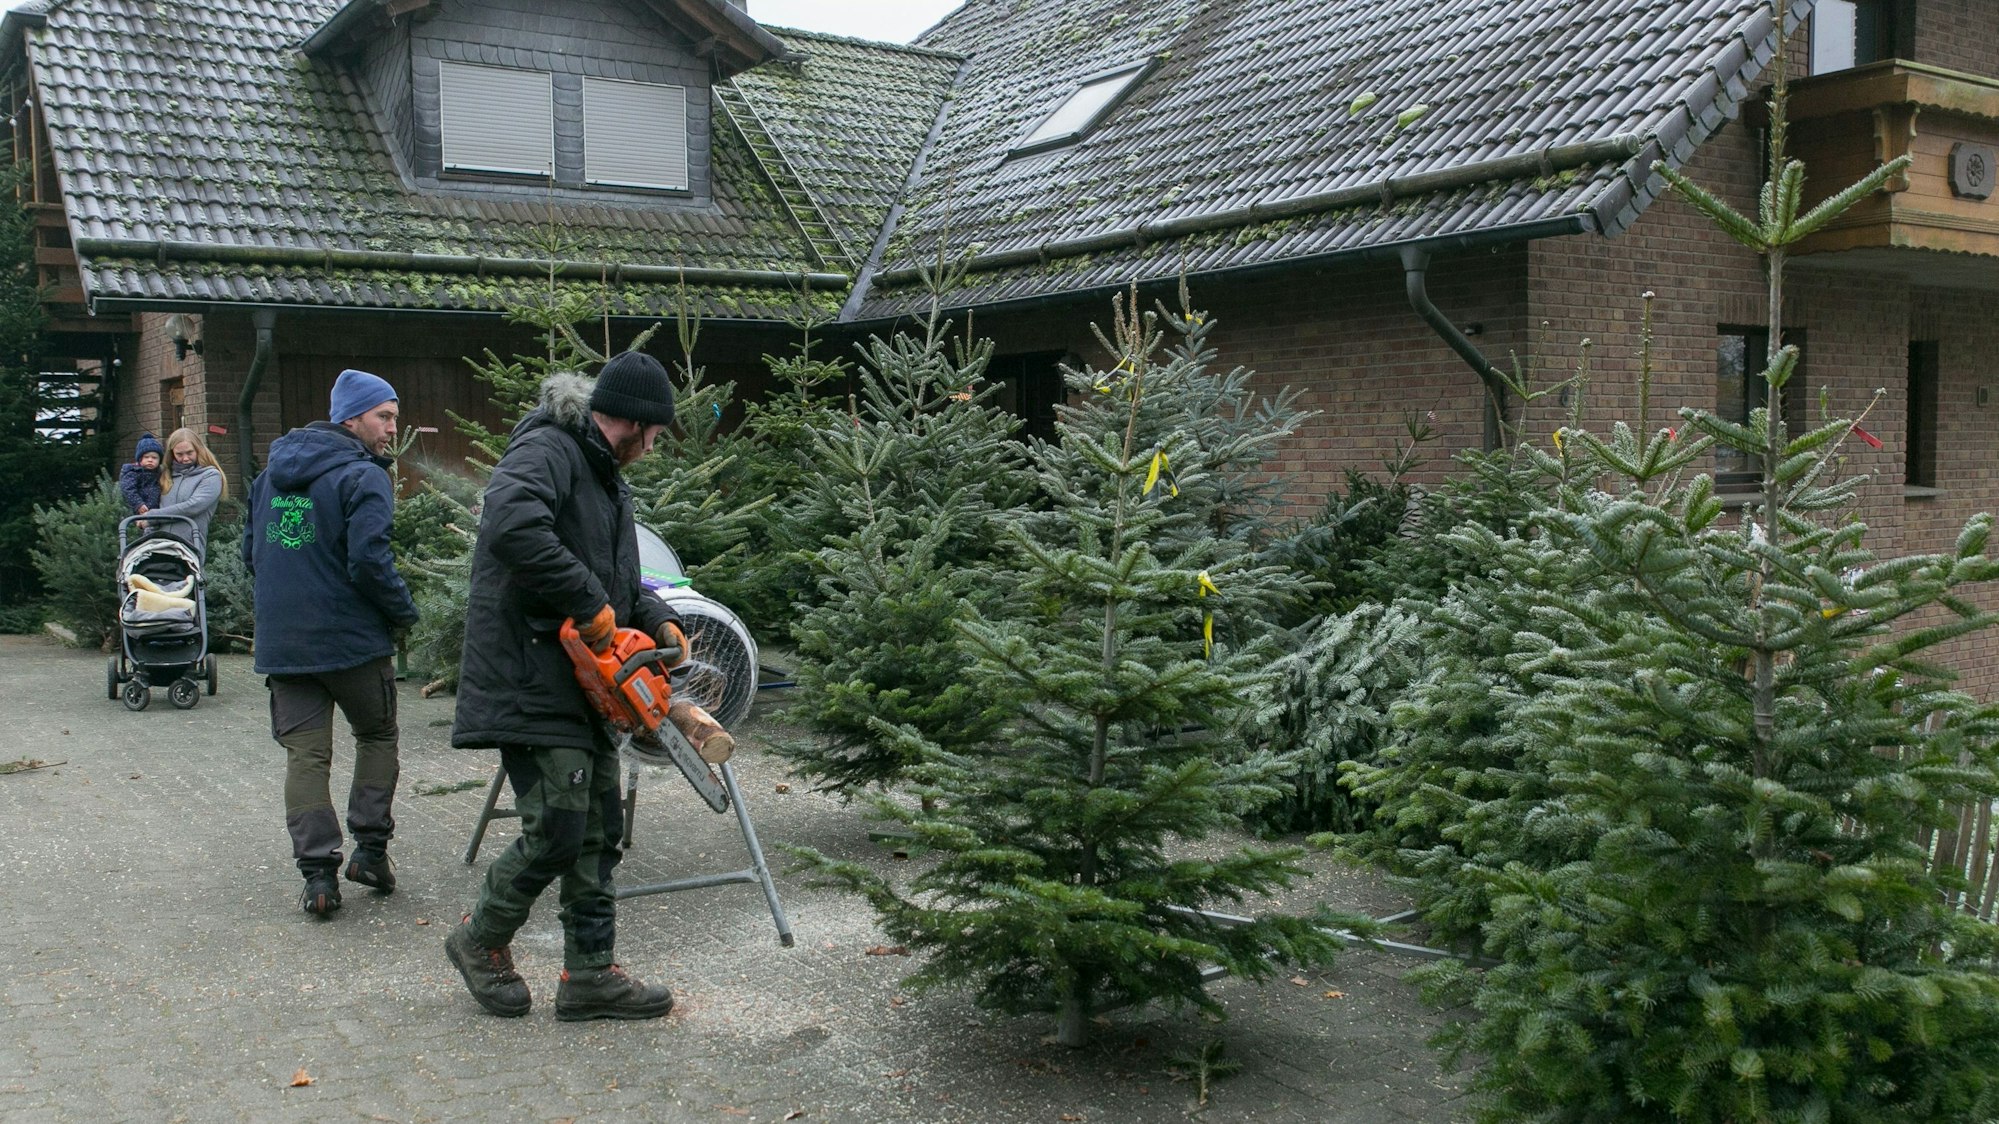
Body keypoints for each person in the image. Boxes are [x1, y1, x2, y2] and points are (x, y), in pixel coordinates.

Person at [446, 352, 686, 1021]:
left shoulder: (604, 475)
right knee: (556, 827)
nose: (654, 447)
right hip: (530, 674)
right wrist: (587, 602)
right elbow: (511, 527)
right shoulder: (548, 450)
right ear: (632, 422)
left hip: (582, 683)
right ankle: (479, 939)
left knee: (598, 831)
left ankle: (590, 974)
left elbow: (615, 575)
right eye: (655, 434)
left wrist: (656, 617)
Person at [242, 369, 419, 918]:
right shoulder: (363, 477)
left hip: (284, 645)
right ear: (352, 418)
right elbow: (369, 561)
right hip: (351, 644)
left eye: (394, 417)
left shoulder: (268, 479)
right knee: (377, 734)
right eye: (384, 416)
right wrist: (404, 613)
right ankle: (370, 852)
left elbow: (251, 555)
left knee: (306, 755)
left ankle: (318, 877)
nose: (392, 428)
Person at [150, 428, 229, 558]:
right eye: (179, 454)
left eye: (189, 453)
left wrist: (152, 516)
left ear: (198, 449)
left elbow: (193, 506)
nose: (185, 458)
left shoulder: (210, 476)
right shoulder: (165, 475)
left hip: (188, 549)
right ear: (172, 453)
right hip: (158, 546)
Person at [118, 433, 163, 516]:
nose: (150, 460)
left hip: (156, 512)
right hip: (138, 511)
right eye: (146, 457)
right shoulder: (134, 472)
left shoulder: (159, 473)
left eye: (154, 457)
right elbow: (128, 490)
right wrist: (138, 504)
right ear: (140, 459)